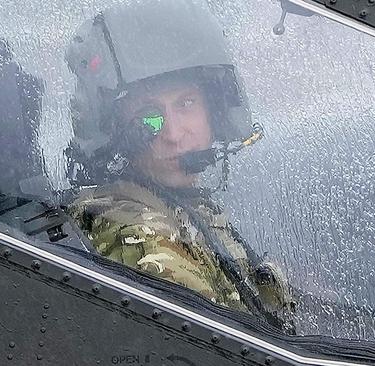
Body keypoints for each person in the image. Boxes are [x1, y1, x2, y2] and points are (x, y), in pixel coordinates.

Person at [63, 0, 295, 331]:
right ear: (119, 131)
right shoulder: (138, 233)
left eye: (186, 104)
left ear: (213, 112)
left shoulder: (181, 206)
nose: (173, 134)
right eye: (149, 115)